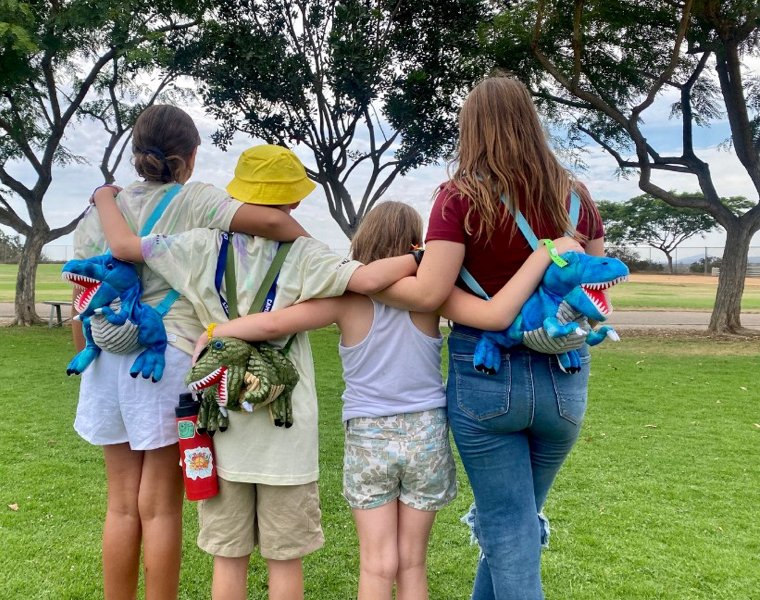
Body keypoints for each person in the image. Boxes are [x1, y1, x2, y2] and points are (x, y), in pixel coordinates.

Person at [187, 201, 584, 600]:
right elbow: (496, 313)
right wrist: (541, 255)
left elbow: (273, 322)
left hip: (367, 437)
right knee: (412, 563)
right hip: (426, 433)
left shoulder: (345, 299)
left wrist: (218, 331)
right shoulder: (435, 297)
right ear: (416, 244)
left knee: (376, 566)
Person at [89, 146, 426, 600]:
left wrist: (104, 197)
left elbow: (124, 248)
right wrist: (419, 259)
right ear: (295, 202)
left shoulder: (198, 245)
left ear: (239, 193)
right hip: (286, 432)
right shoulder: (306, 253)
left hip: (221, 422)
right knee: (284, 560)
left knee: (229, 559)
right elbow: (367, 280)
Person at [372, 76, 605, 600]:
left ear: (471, 128)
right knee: (515, 525)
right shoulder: (577, 198)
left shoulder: (458, 198)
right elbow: (593, 285)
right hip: (564, 378)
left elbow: (430, 291)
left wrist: (373, 285)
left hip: (486, 376)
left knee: (508, 528)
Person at [71, 107, 310, 600]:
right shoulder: (197, 199)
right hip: (167, 362)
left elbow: (81, 295)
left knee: (119, 505)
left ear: (136, 153)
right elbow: (272, 222)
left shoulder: (101, 211)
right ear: (190, 157)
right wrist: (309, 248)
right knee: (160, 505)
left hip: (104, 364)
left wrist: (88, 355)